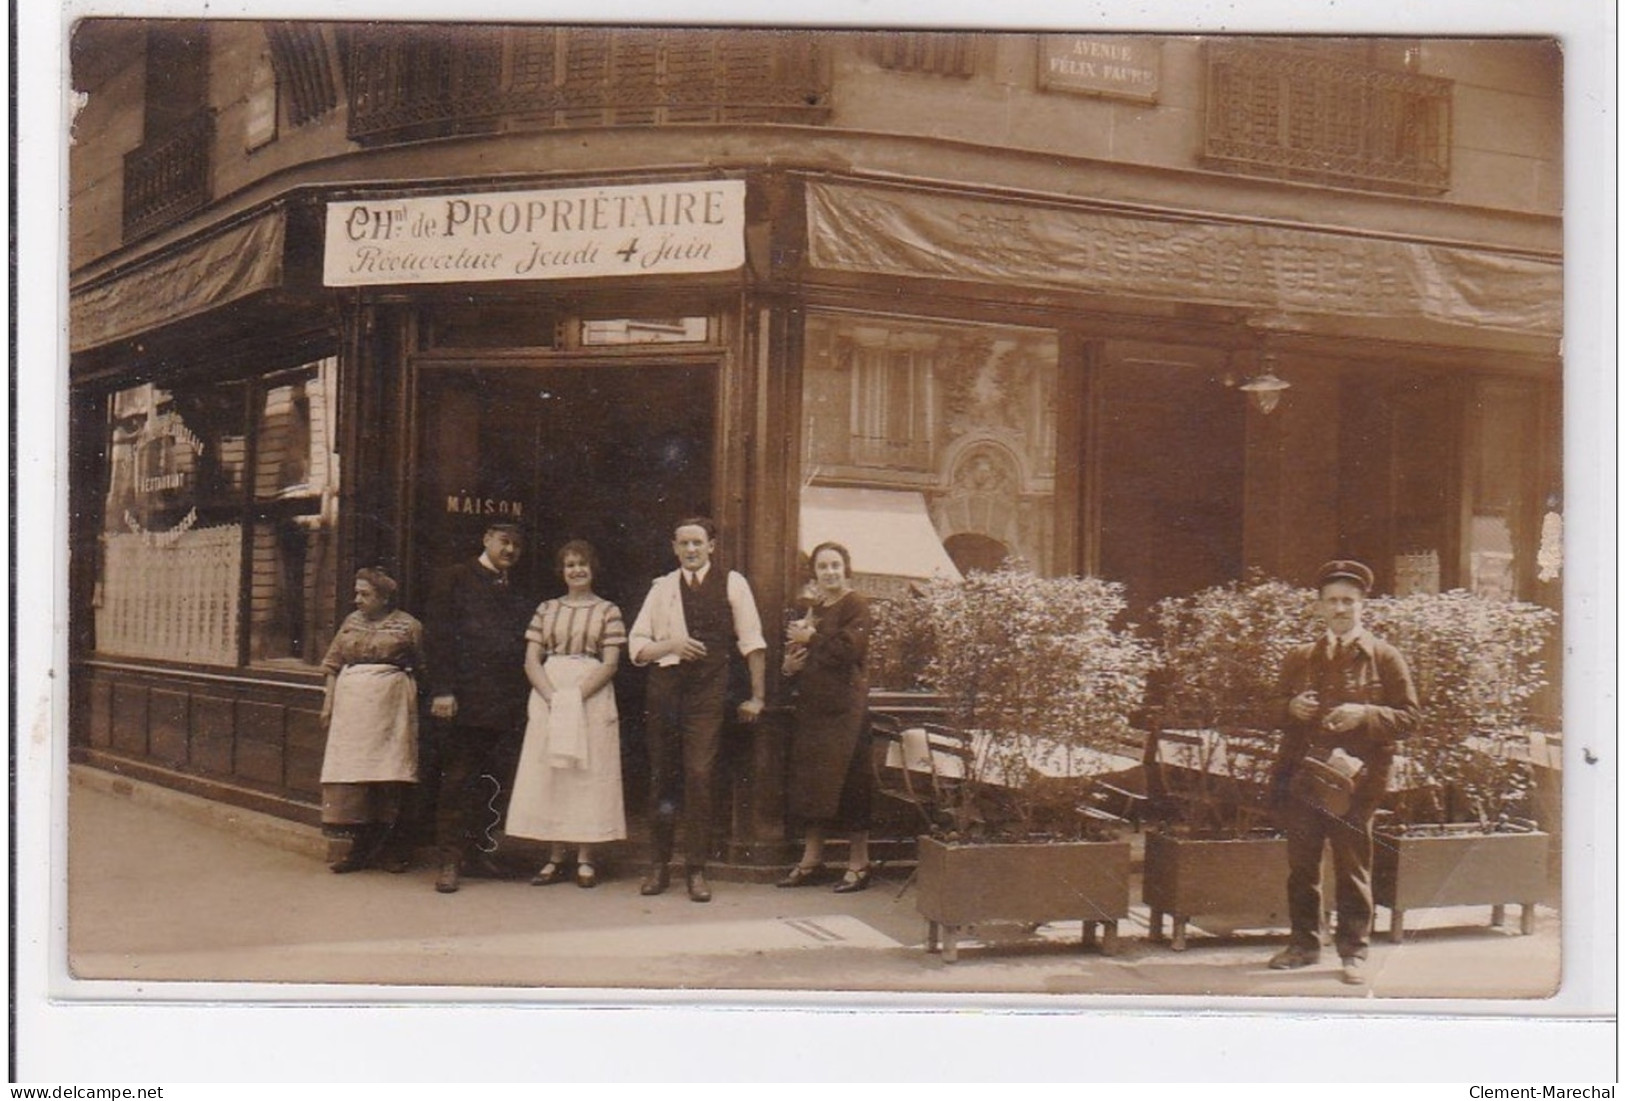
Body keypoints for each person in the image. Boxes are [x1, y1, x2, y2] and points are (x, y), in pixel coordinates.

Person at [1266, 559, 1419, 985]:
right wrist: (1289, 708)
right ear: (1318, 607)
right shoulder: (1301, 657)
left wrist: (1365, 713)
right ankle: (1303, 946)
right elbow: (1270, 708)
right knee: (1302, 867)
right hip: (1305, 779)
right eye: (1331, 601)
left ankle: (1354, 953)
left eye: (1348, 601)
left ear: (1362, 606)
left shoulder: (1385, 657)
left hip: (1358, 783)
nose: (1340, 608)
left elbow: (1409, 718)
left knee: (1353, 868)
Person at [627, 516, 767, 902]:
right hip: (666, 691)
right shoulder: (661, 589)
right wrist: (670, 644)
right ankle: (658, 866)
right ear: (674, 547)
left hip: (708, 693)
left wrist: (757, 696)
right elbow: (636, 645)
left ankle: (696, 869)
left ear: (711, 546)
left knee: (700, 775)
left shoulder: (733, 583)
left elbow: (752, 642)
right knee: (662, 776)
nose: (691, 550)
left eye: (697, 543)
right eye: (683, 543)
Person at [506, 540, 628, 888]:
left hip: (590, 694)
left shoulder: (608, 610)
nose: (577, 570)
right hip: (550, 692)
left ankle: (586, 858)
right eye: (570, 564)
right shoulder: (546, 609)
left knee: (585, 774)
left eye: (583, 564)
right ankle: (554, 856)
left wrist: (576, 696)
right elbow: (532, 659)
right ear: (561, 571)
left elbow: (610, 662)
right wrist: (552, 696)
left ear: (593, 569)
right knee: (553, 773)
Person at [423, 520, 534, 894]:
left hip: (503, 703)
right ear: (486, 539)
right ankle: (449, 861)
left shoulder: (514, 589)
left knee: (491, 780)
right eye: (504, 542)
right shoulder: (454, 578)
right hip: (463, 701)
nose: (510, 550)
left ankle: (477, 852)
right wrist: (443, 690)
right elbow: (439, 638)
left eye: (517, 545)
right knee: (457, 780)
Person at [777, 542, 876, 893]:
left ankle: (858, 864)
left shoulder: (856, 604)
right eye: (823, 566)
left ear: (846, 569)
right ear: (814, 572)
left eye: (836, 565)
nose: (830, 572)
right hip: (814, 708)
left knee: (850, 784)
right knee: (812, 785)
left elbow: (849, 651)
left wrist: (812, 636)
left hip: (845, 710)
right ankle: (812, 860)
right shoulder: (814, 607)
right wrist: (790, 666)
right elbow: (804, 654)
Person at [317, 568, 425, 874]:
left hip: (391, 707)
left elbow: (421, 665)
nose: (357, 599)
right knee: (355, 777)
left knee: (389, 773)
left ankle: (392, 849)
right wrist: (328, 704)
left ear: (385, 597)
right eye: (357, 593)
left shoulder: (408, 625)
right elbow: (333, 664)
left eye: (365, 594)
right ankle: (358, 849)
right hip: (352, 709)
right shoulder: (351, 623)